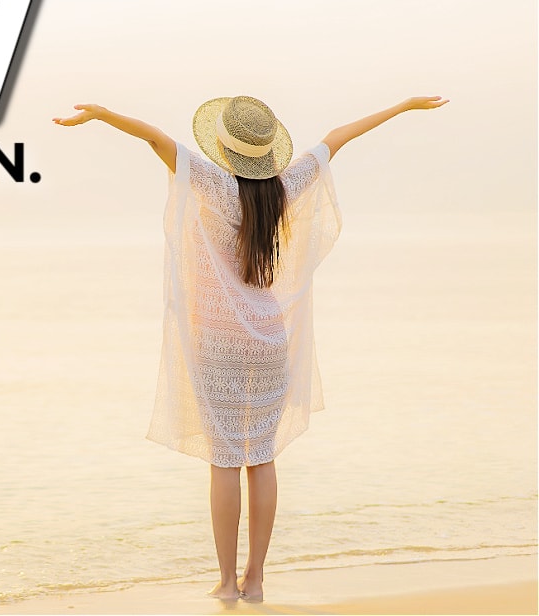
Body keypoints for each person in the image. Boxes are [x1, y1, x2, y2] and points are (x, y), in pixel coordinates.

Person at [52, 94, 448, 602]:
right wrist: (405, 106)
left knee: (224, 458)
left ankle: (225, 581)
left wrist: (102, 115)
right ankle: (256, 579)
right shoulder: (285, 187)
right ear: (268, 152)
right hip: (270, 343)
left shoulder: (212, 182)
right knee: (260, 457)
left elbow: (153, 137)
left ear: (223, 146)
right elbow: (339, 136)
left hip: (217, 343)